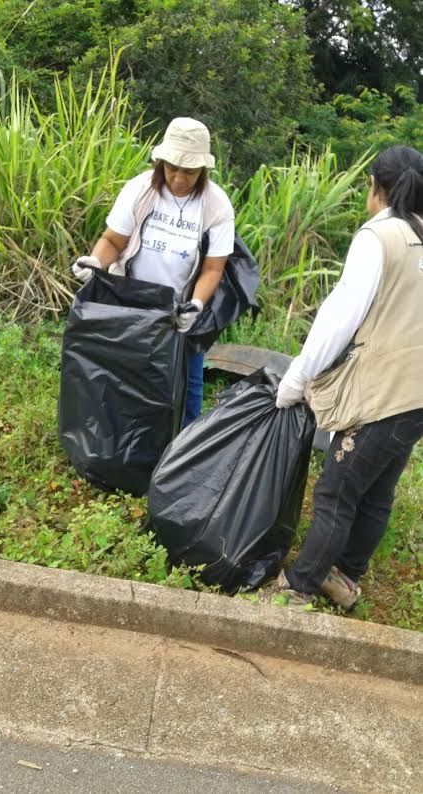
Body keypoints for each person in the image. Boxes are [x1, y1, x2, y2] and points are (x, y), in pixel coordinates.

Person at [272, 144, 423, 610]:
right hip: (415, 395)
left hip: (381, 393)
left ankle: (297, 589)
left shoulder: (377, 239)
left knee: (337, 490)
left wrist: (296, 380)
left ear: (375, 187)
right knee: (376, 491)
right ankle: (343, 579)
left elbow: (337, 320)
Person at [72, 117, 235, 426]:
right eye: (171, 167)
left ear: (203, 169)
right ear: (161, 161)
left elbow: (214, 268)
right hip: (131, 304)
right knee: (124, 376)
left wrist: (196, 305)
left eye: (188, 171)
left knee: (188, 387)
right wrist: (95, 263)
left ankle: (180, 454)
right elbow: (112, 240)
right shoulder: (141, 189)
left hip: (179, 311)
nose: (177, 178)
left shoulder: (216, 206)